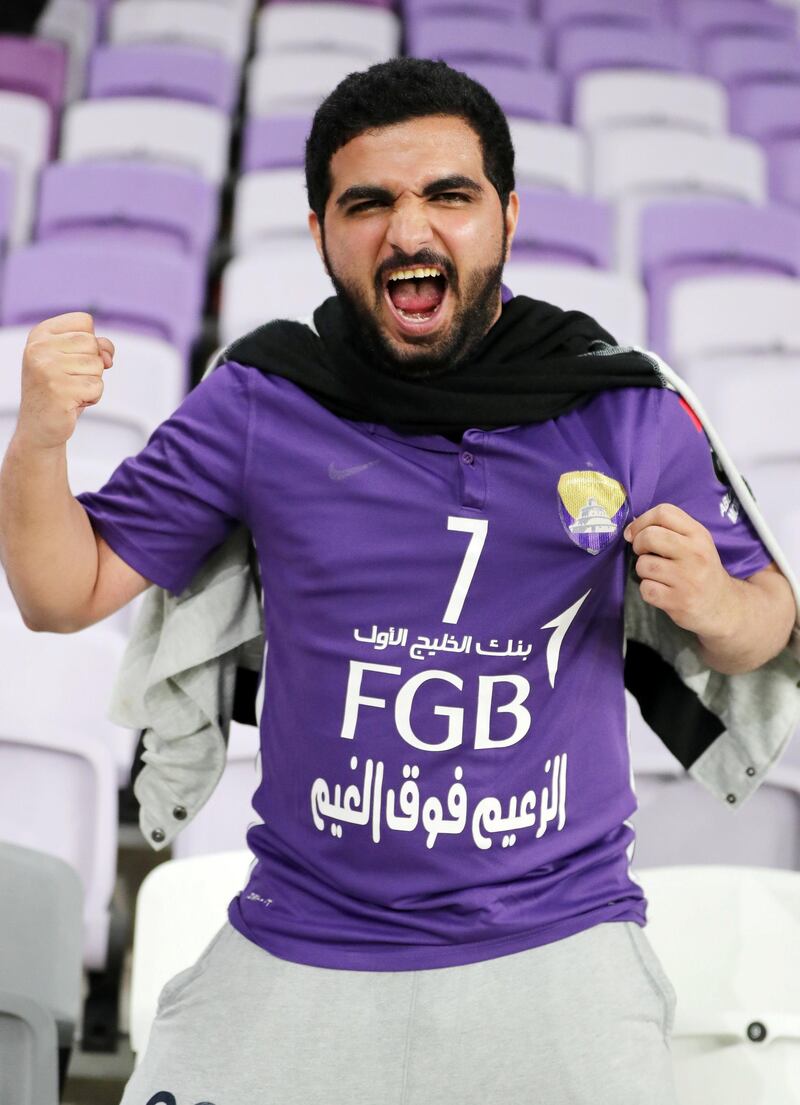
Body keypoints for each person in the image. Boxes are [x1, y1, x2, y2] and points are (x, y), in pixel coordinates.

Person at [0, 59, 796, 1105]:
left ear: (506, 217)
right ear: (321, 229)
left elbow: (763, 627)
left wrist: (718, 606)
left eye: (448, 197)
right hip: (301, 934)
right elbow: (60, 594)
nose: (407, 232)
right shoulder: (262, 396)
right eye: (366, 202)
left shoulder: (624, 405)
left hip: (557, 942)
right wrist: (40, 439)